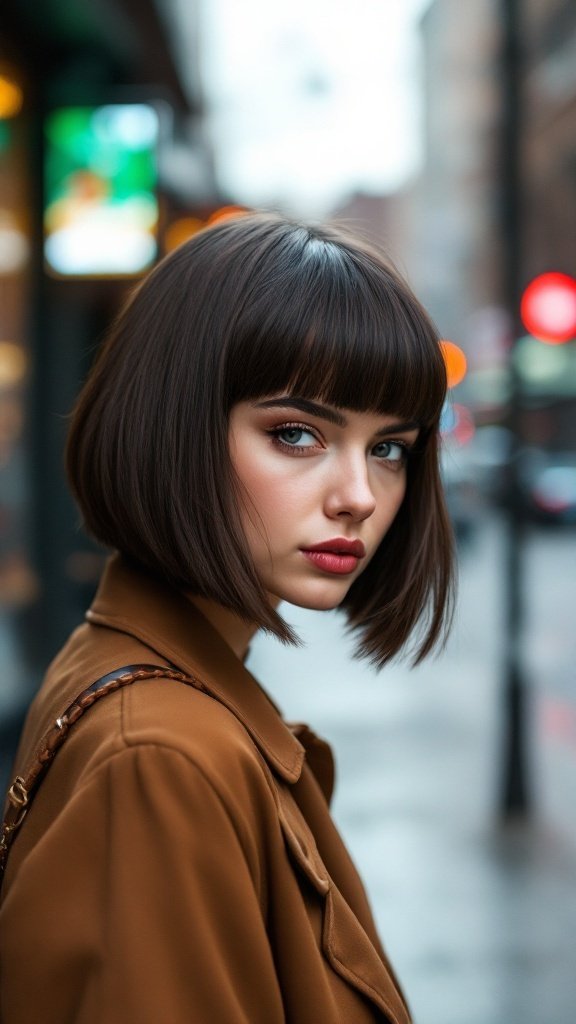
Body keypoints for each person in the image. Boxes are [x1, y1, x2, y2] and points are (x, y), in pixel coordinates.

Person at [0, 213, 454, 1023]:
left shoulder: (156, 683)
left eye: (390, 448)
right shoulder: (162, 757)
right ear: (174, 427)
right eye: (296, 434)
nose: (358, 495)